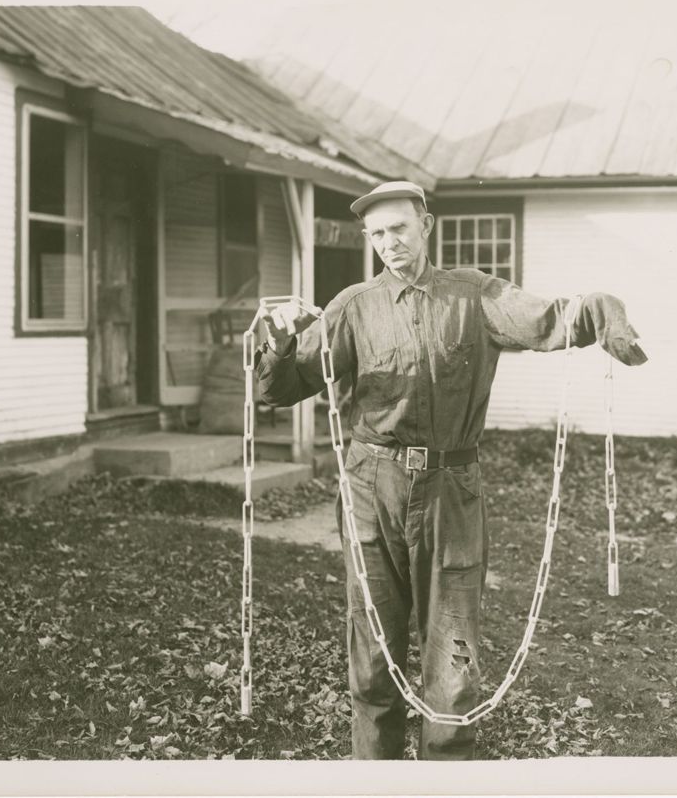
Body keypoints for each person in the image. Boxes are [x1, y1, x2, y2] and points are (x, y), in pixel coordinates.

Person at [256, 180, 647, 760]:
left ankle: (446, 777)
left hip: (451, 493)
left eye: (400, 229)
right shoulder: (351, 308)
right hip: (371, 489)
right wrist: (280, 343)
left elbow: (549, 320)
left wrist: (601, 308)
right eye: (378, 233)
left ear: (426, 226)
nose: (390, 243)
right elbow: (281, 388)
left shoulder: (475, 296)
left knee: (454, 660)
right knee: (372, 655)